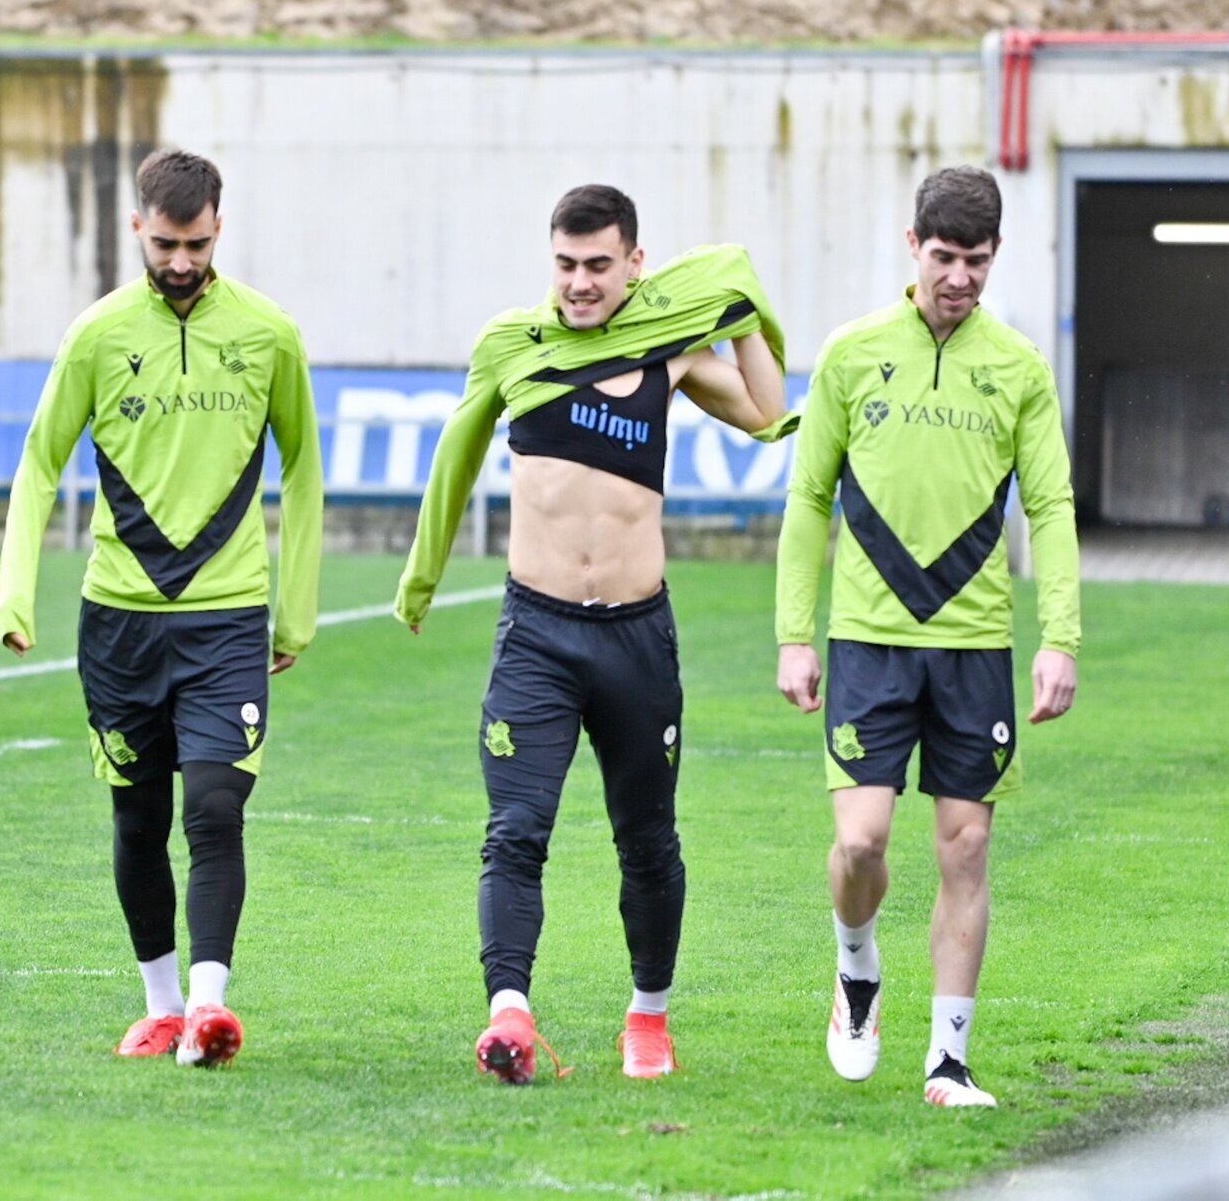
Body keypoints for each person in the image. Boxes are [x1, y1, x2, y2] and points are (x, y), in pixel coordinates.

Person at [397, 184, 795, 1083]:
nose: (578, 283)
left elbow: (768, 414)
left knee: (647, 841)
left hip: (635, 640)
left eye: (597, 266)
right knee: (514, 831)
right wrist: (420, 580)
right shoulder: (511, 344)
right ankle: (508, 1016)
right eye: (565, 265)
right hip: (535, 634)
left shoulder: (669, 347)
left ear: (634, 264)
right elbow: (455, 454)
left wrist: (740, 311)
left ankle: (647, 1019)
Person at [0, 148, 323, 1067]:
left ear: (220, 228)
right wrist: (15, 592)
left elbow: (303, 468)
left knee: (214, 807)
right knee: (137, 821)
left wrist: (294, 611)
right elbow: (38, 462)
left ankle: (210, 1010)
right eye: (166, 244)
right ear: (137, 226)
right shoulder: (96, 335)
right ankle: (163, 1006)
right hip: (119, 622)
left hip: (227, 618)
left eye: (198, 244)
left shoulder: (268, 333)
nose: (181, 262)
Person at [774, 165, 1080, 1108]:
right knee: (860, 843)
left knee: (965, 845)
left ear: (995, 255)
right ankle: (855, 966)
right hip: (867, 639)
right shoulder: (851, 352)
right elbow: (808, 496)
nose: (958, 277)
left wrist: (1059, 637)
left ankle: (946, 1061)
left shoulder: (1018, 368)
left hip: (974, 645)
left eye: (975, 260)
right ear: (912, 246)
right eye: (943, 256)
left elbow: (1050, 505)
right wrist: (793, 634)